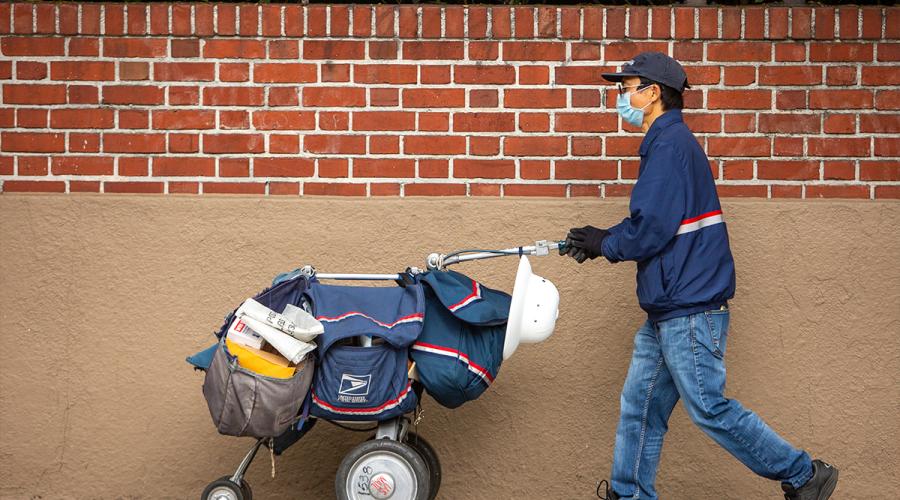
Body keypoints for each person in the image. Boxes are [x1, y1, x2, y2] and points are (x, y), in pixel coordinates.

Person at [559, 52, 839, 500]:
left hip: (687, 309)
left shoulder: (669, 146)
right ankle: (629, 494)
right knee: (640, 408)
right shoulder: (668, 144)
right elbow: (657, 220)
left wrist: (604, 244)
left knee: (708, 407)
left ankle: (804, 475)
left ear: (652, 93)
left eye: (624, 89)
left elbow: (651, 227)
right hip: (669, 308)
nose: (618, 98)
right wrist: (601, 239)